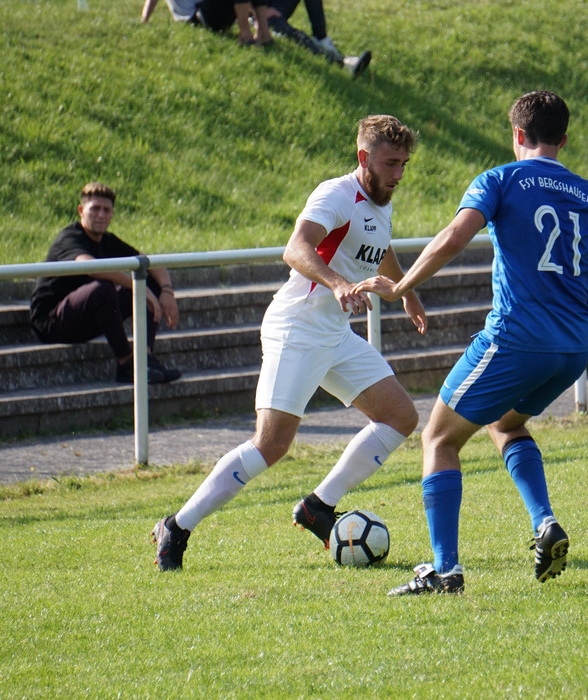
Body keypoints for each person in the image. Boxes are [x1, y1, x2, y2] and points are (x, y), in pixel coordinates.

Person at [355, 91, 588, 595]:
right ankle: (544, 523)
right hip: (573, 349)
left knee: (439, 439)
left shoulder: (500, 178)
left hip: (517, 338)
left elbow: (455, 236)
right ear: (563, 139)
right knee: (506, 423)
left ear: (517, 135)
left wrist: (403, 286)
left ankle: (445, 571)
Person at [151, 115, 426, 571]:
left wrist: (407, 294)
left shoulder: (381, 200)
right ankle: (176, 527)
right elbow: (295, 248)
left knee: (400, 417)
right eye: (390, 163)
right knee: (271, 445)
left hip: (334, 334)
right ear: (364, 158)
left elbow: (382, 247)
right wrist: (338, 283)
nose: (398, 174)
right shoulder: (336, 193)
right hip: (296, 329)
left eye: (404, 164)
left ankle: (318, 506)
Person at [30, 182, 181, 385]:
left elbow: (147, 262)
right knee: (104, 288)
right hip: (52, 322)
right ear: (81, 211)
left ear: (112, 214)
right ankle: (126, 365)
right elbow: (91, 267)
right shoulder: (70, 237)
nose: (101, 215)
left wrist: (166, 291)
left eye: (106, 210)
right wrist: (140, 289)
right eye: (95, 209)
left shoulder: (107, 241)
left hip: (86, 318)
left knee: (148, 279)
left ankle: (145, 360)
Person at [266, 0, 371, 78]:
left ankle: (321, 38)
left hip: (271, 7)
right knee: (296, 36)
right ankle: (341, 65)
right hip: (259, 16)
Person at [141, 0, 273, 46]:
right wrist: (144, 20)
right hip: (197, 16)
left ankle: (263, 33)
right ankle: (246, 35)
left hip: (210, 11)